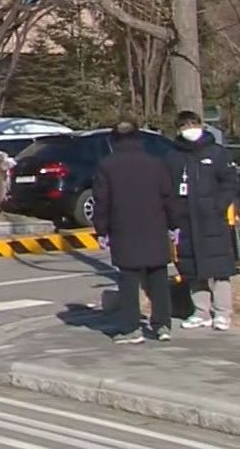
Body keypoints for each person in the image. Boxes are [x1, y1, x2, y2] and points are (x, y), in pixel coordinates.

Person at [91, 121, 178, 344]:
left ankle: (131, 328)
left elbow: (102, 201)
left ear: (113, 140)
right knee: (158, 276)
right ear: (139, 138)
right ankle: (162, 325)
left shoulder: (107, 165)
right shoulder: (156, 163)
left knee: (128, 278)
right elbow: (169, 197)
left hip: (123, 228)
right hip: (155, 225)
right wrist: (173, 224)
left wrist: (101, 229)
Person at [170, 110, 240, 330]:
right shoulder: (173, 156)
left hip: (212, 220)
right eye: (184, 126)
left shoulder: (217, 153)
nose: (190, 129)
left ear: (201, 126)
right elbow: (168, 186)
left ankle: (222, 312)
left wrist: (218, 206)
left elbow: (230, 182)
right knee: (192, 269)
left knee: (219, 269)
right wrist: (174, 212)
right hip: (186, 220)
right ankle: (201, 311)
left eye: (193, 124)